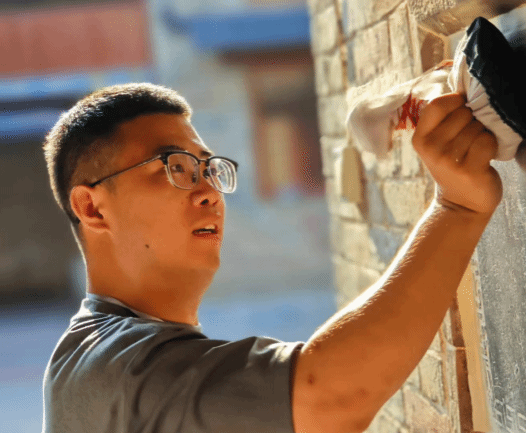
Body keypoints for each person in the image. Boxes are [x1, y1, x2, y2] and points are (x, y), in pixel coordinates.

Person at [41, 82, 501, 433]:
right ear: (92, 208)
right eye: (175, 167)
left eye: (208, 169)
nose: (209, 193)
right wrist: (457, 207)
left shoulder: (110, 356)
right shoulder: (113, 369)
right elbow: (329, 396)